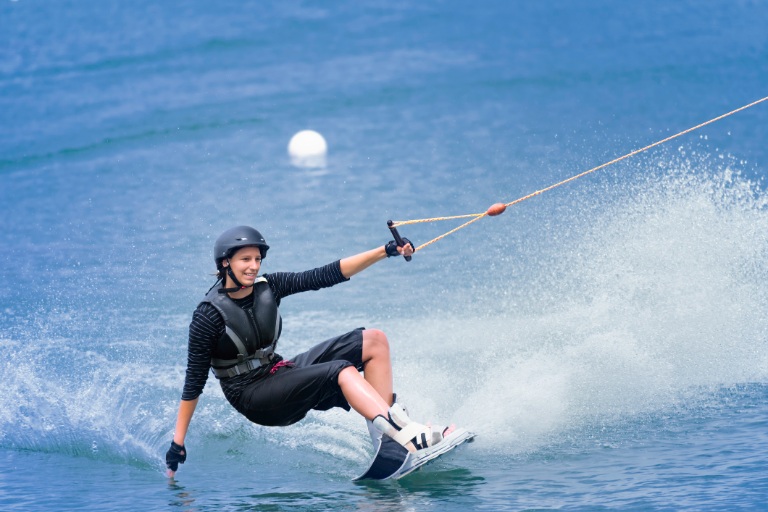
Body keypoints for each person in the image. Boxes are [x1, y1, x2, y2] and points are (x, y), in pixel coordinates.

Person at [166, 225, 454, 476]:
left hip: (278, 372)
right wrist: (178, 443)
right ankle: (404, 432)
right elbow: (194, 382)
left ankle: (387, 436)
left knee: (373, 340)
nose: (253, 265)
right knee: (341, 370)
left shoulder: (271, 286)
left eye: (257, 259)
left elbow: (325, 275)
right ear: (226, 263)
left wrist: (385, 250)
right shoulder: (208, 316)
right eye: (245, 259)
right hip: (254, 398)